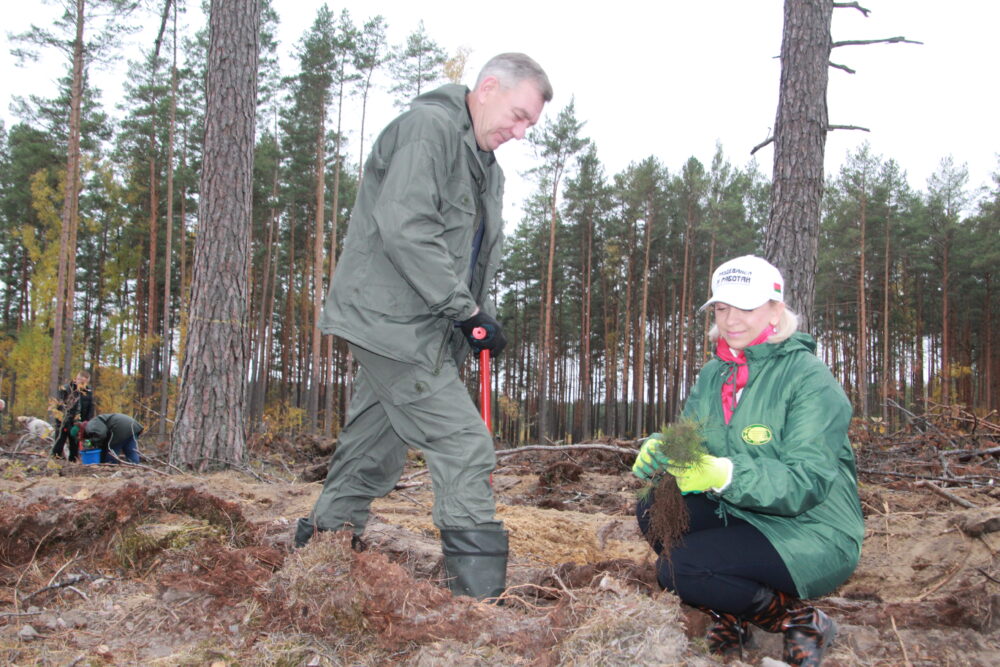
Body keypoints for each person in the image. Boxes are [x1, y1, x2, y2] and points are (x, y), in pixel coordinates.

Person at [294, 53, 552, 601]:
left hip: (425, 326)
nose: (521, 131)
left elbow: (467, 253)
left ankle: (315, 561)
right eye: (519, 114)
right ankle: (477, 605)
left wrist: (468, 321)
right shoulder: (426, 130)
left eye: (530, 124)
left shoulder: (487, 168)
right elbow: (407, 228)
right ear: (487, 88)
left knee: (373, 450)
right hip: (393, 322)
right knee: (463, 442)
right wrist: (465, 310)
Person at [632, 255, 863, 666]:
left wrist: (723, 473)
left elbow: (806, 481)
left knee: (680, 570)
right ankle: (732, 609)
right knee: (654, 509)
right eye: (722, 308)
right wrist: (660, 449)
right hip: (743, 509)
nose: (731, 319)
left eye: (746, 307)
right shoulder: (715, 373)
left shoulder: (810, 379)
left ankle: (800, 618)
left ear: (776, 310)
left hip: (812, 529)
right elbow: (691, 439)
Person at [51, 370, 95, 461]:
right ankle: (55, 464)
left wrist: (85, 424)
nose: (82, 384)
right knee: (58, 445)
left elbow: (90, 410)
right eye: (80, 380)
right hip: (63, 423)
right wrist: (67, 425)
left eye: (84, 382)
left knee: (74, 447)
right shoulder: (66, 389)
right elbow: (60, 408)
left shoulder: (88, 392)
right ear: (76, 379)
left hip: (78, 424)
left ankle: (72, 466)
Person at [79, 413, 143, 464]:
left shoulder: (90, 425)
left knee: (111, 454)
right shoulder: (94, 423)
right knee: (131, 451)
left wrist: (91, 442)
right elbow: (103, 439)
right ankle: (135, 468)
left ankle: (110, 468)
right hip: (133, 425)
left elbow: (101, 434)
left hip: (119, 427)